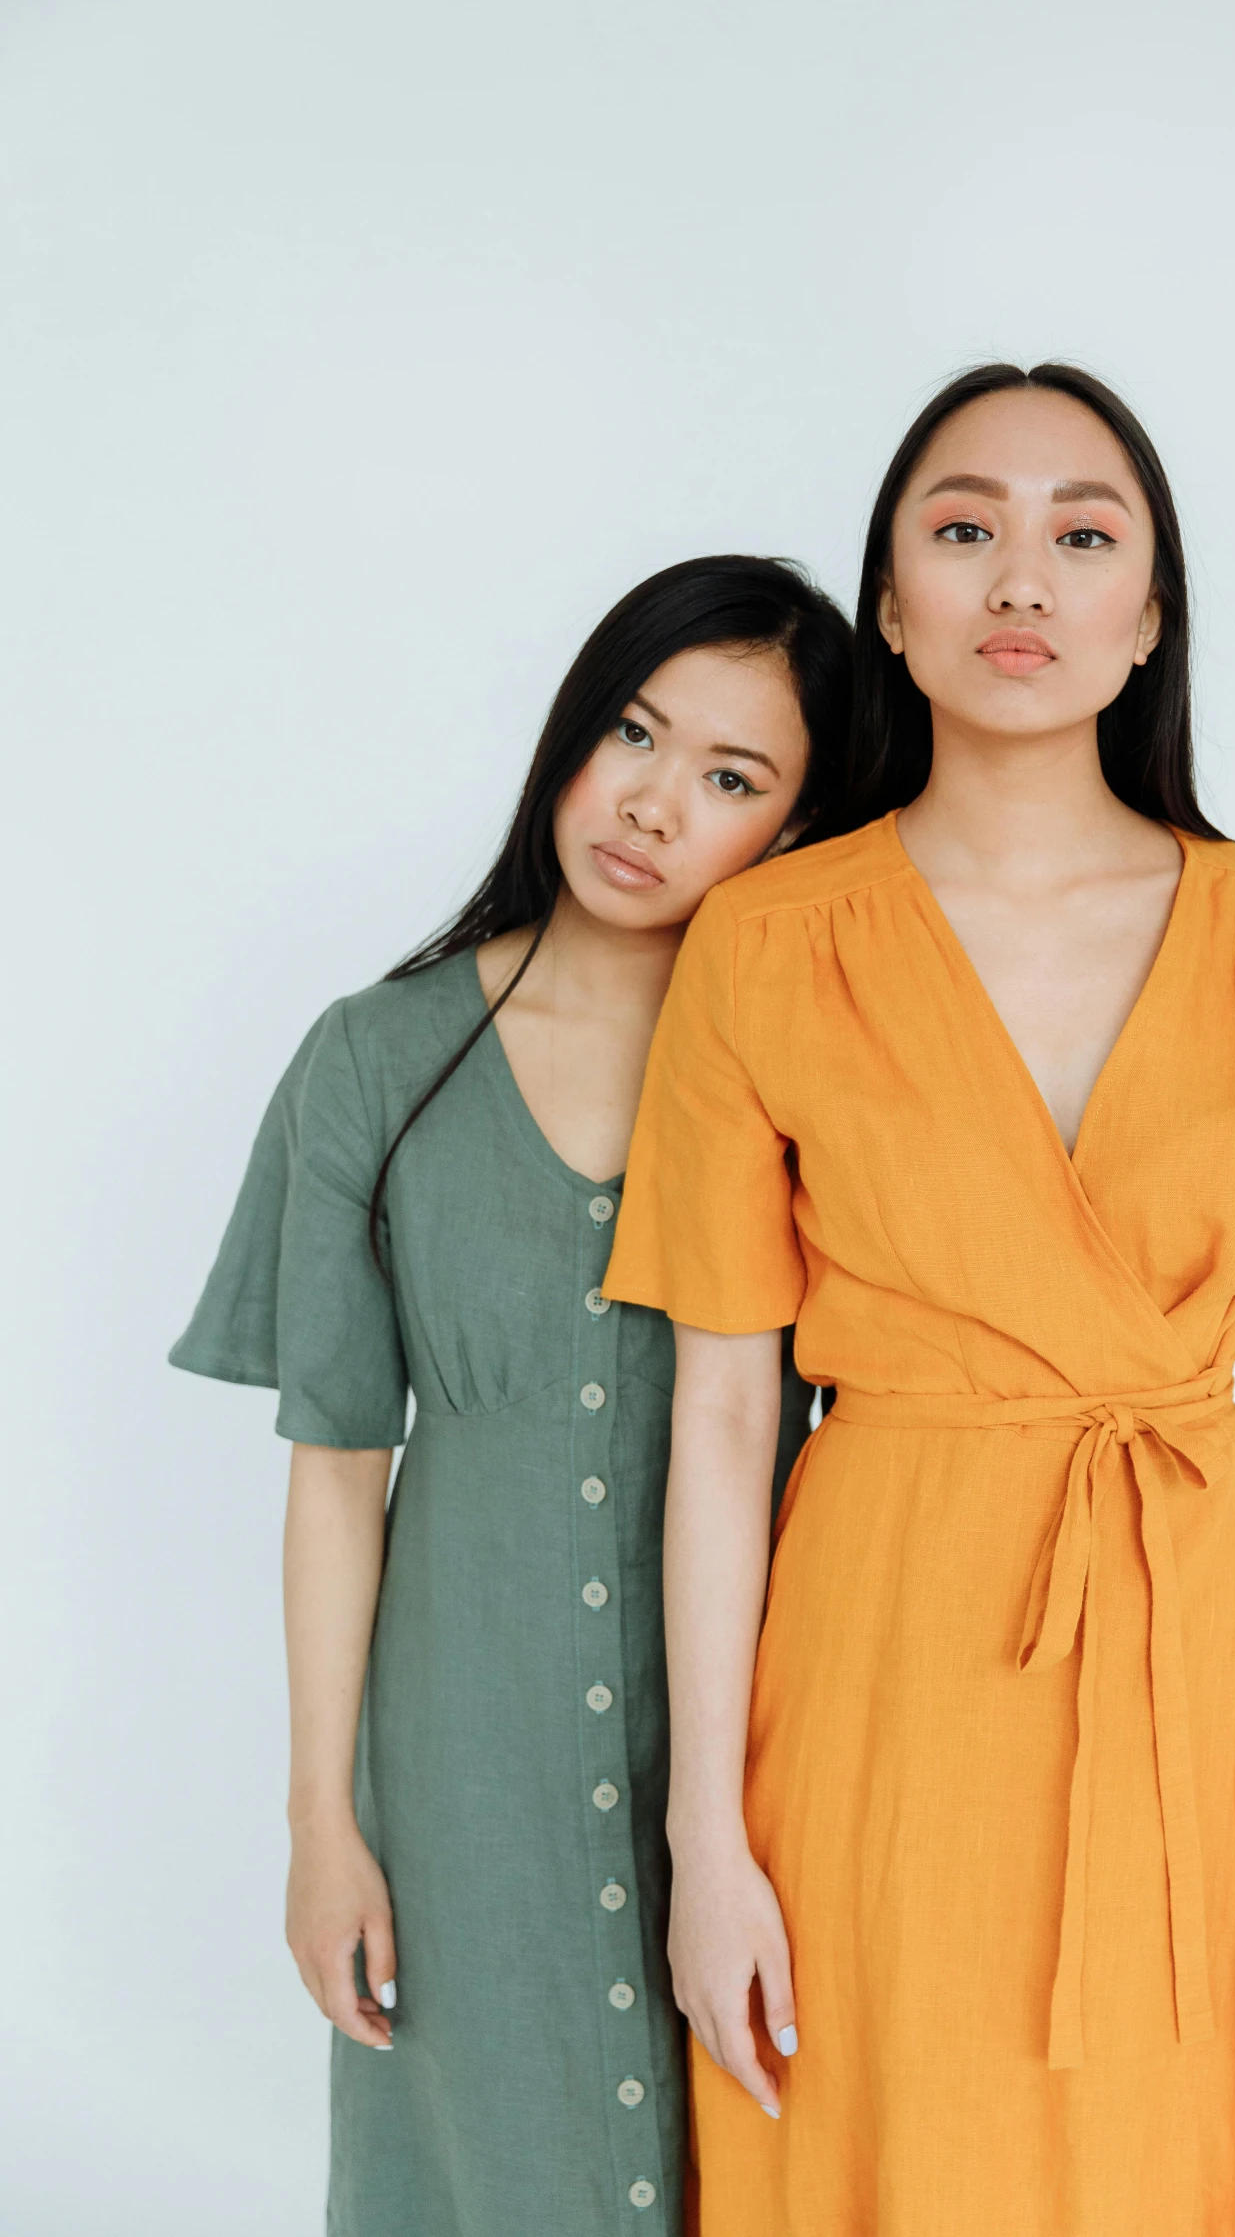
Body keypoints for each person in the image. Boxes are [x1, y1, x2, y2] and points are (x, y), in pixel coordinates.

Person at [602, 367, 1235, 2235]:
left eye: (1083, 534)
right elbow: (726, 1409)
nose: (1022, 575)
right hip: (878, 1681)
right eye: (963, 526)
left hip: (1201, 1690)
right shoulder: (766, 942)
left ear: (1146, 615)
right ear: (895, 605)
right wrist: (706, 1845)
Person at [169, 555, 859, 2237]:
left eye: (728, 778)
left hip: (779, 1753)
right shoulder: (373, 1061)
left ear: (797, 824)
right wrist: (320, 1822)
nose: (647, 802)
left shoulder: (826, 1072)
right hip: (457, 1762)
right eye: (632, 729)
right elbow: (335, 1469)